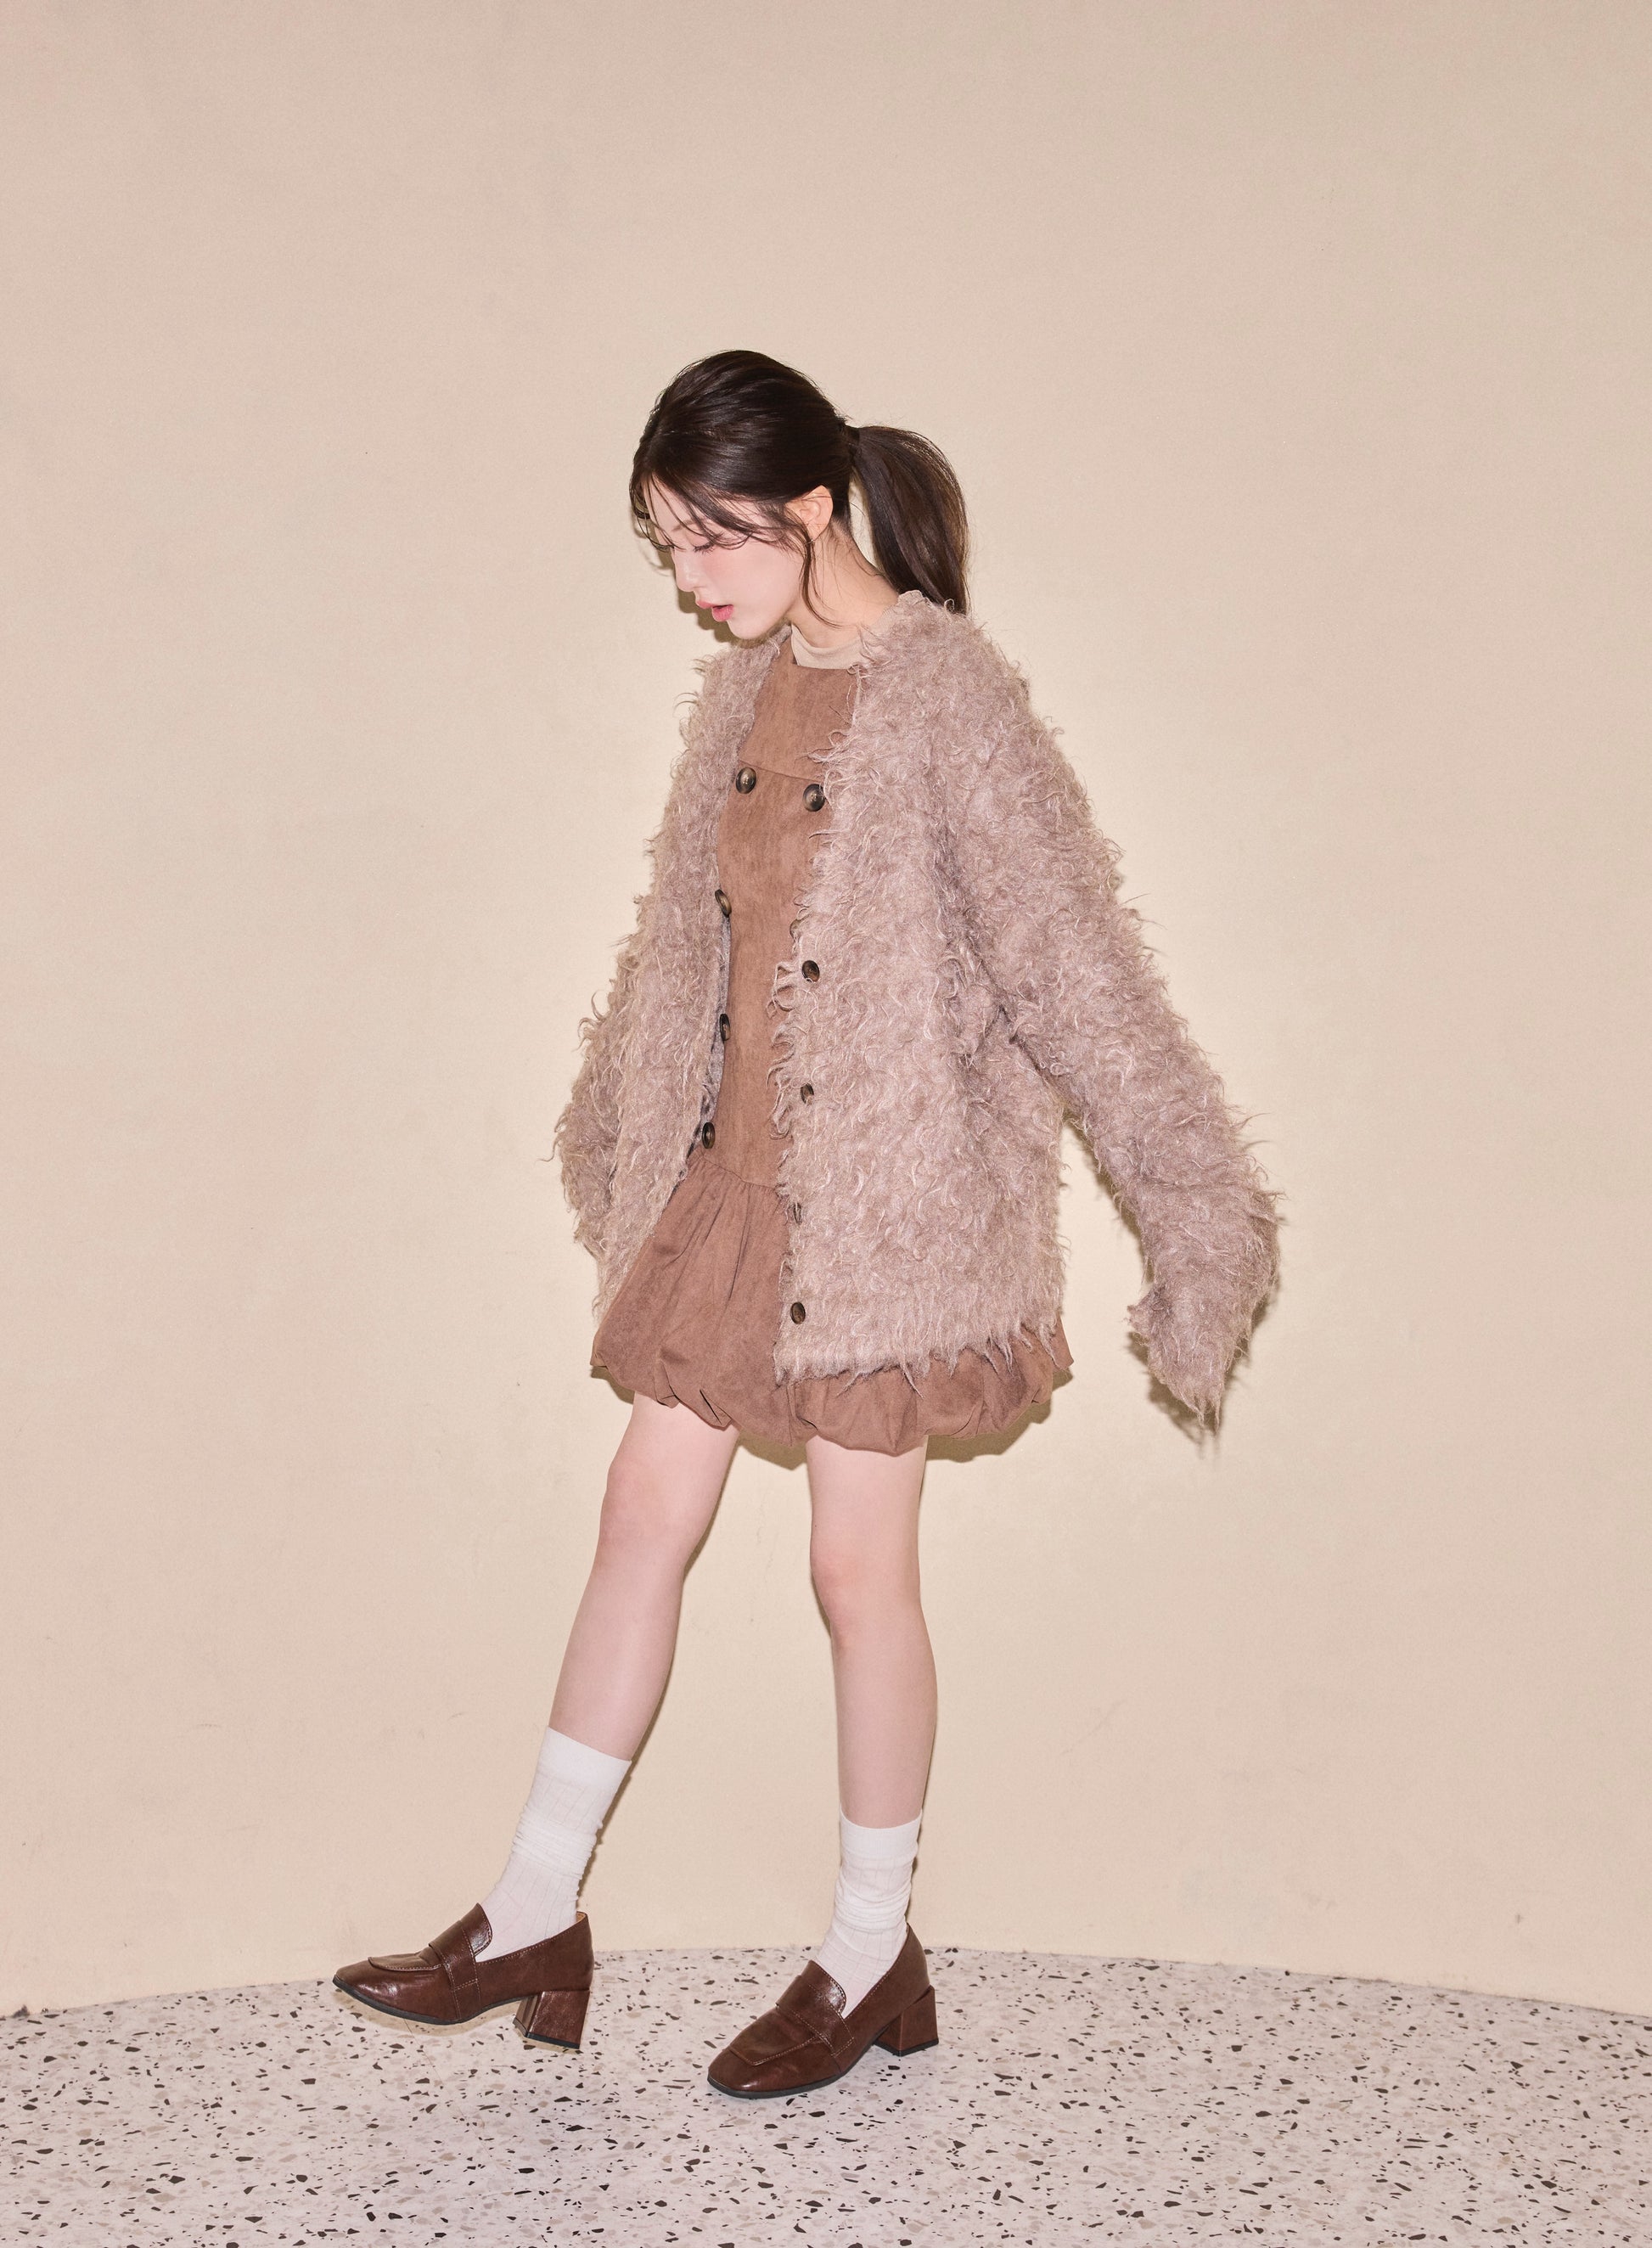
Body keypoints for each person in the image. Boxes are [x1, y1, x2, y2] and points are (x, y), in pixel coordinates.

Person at [334, 349, 1282, 2099]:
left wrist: (1193, 1210)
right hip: (731, 1192)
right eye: (668, 549)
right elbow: (680, 943)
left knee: (857, 1573)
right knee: (639, 1515)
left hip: (886, 1215)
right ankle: (532, 1909)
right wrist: (613, 1125)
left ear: (814, 507)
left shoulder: (952, 700)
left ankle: (866, 1950)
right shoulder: (742, 694)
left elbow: (1073, 969)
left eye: (713, 539)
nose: (691, 582)